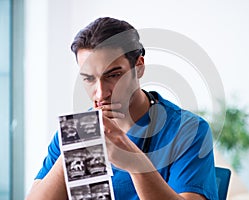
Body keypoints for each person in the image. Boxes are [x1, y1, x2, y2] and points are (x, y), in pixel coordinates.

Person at [26, 17, 219, 200]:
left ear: (139, 66)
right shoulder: (76, 130)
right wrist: (75, 148)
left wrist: (135, 162)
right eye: (89, 79)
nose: (100, 94)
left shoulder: (186, 130)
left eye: (113, 75)